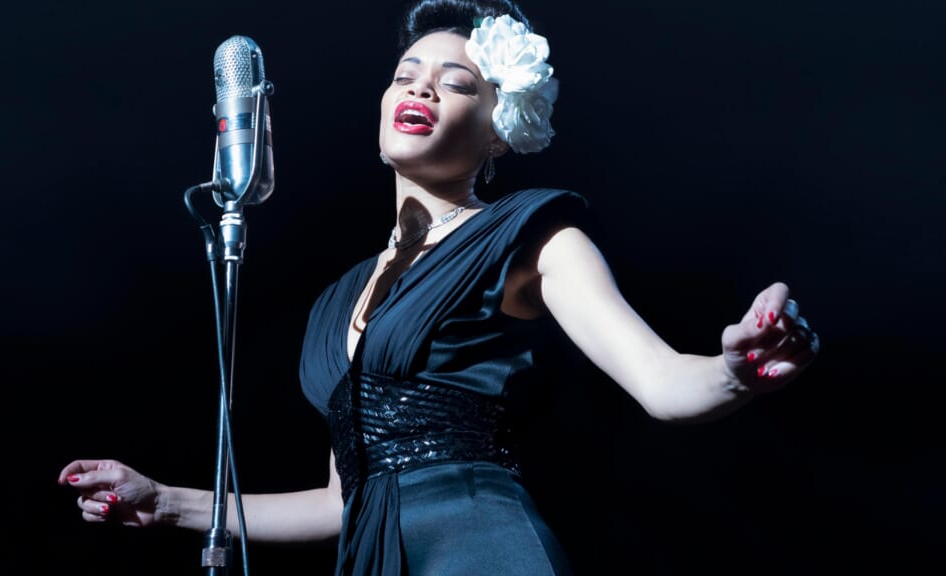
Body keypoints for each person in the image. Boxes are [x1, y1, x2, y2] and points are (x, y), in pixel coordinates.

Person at [58, 0, 820, 574]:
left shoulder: (531, 234)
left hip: (482, 548)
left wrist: (736, 370)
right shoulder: (335, 301)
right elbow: (342, 502)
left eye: (455, 84)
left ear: (498, 129)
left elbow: (662, 383)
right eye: (405, 76)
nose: (420, 89)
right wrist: (169, 503)